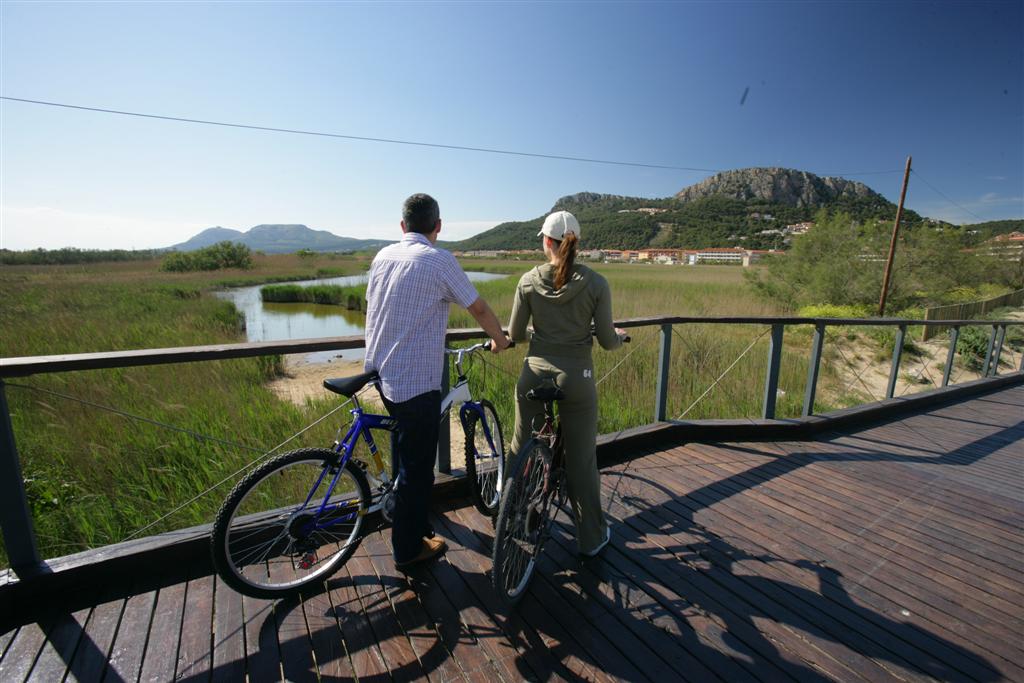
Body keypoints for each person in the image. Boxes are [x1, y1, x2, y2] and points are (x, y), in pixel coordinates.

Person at [364, 193, 510, 569]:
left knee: (405, 452)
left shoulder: (383, 256)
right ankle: (407, 550)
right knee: (417, 471)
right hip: (414, 383)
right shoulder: (439, 260)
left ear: (402, 226)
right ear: (438, 226)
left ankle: (402, 514)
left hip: (382, 374)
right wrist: (499, 338)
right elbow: (477, 306)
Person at [507, 210, 627, 557]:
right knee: (581, 460)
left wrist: (539, 332)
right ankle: (590, 538)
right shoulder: (597, 283)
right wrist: (619, 337)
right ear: (576, 243)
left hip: (534, 372)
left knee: (520, 445)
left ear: (546, 242)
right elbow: (607, 341)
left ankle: (509, 517)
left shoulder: (528, 280)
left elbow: (515, 334)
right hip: (577, 377)